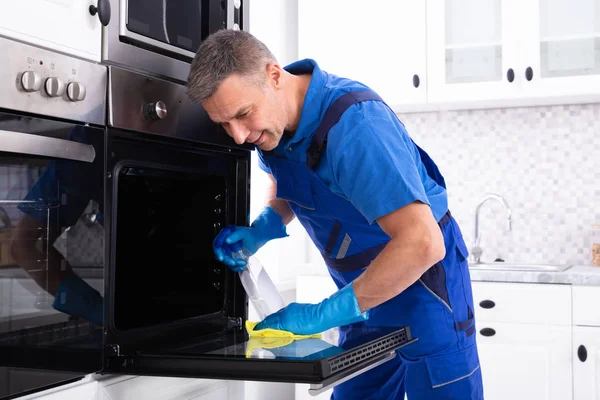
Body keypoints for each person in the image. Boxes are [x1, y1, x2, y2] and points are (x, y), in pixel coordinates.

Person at [187, 29, 483, 399]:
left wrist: (319, 315)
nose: (239, 136)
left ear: (274, 76)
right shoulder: (273, 127)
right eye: (224, 123)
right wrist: (265, 226)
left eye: (244, 115)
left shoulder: (356, 126)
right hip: (359, 301)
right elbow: (293, 181)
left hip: (424, 293)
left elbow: (423, 243)